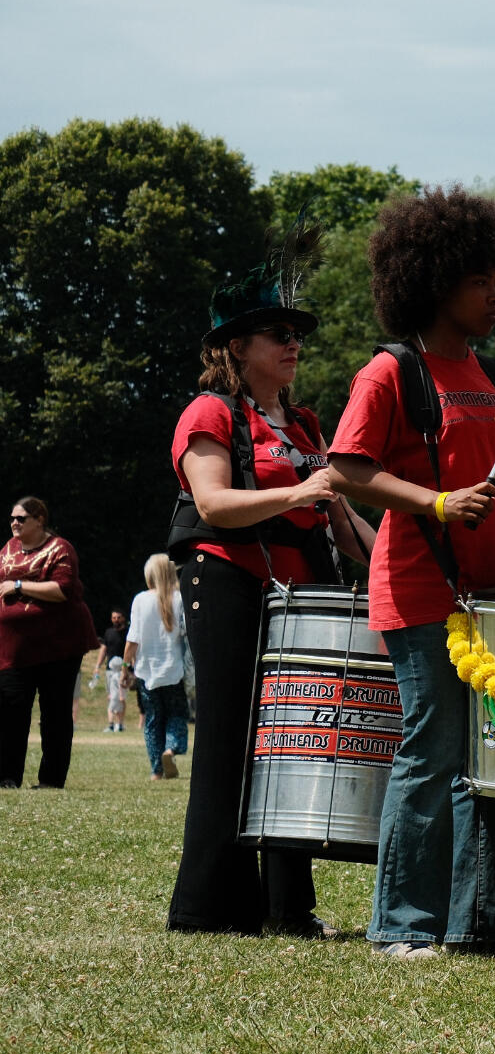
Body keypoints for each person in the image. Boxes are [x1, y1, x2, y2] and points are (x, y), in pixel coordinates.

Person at [329, 188, 495, 960]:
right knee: (435, 752)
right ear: (437, 281)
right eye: (481, 282)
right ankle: (404, 925)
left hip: (493, 596)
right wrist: (435, 502)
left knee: (492, 757)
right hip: (418, 591)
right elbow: (347, 468)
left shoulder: (493, 376)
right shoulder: (390, 373)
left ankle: (474, 919)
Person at [167, 246, 372, 937]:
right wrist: (304, 488)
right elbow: (216, 505)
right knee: (228, 742)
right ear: (235, 347)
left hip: (301, 594)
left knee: (293, 744)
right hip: (227, 579)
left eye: (297, 335)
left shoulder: (307, 424)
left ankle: (291, 910)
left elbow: (343, 523)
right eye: (278, 334)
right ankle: (207, 910)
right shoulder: (209, 413)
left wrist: (396, 560)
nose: (294, 344)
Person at [0, 496, 98, 789]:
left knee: (54, 714)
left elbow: (62, 589)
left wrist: (18, 585)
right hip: (14, 650)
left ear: (39, 519)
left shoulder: (60, 549)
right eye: (12, 519)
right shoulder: (8, 549)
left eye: (22, 518)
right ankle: (6, 778)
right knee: (10, 713)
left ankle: (51, 780)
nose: (15, 523)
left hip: (58, 647)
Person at [126, 554, 190, 780]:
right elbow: (186, 634)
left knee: (153, 721)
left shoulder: (140, 600)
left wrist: (126, 668)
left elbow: (132, 639)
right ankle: (170, 749)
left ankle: (156, 770)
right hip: (174, 670)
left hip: (146, 671)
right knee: (176, 714)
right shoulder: (180, 599)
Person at [100, 609, 128, 731]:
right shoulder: (108, 632)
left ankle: (120, 724)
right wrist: (98, 666)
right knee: (111, 696)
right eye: (114, 617)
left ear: (123, 618)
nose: (116, 620)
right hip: (109, 670)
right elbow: (103, 649)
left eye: (118, 617)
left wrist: (130, 669)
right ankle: (111, 724)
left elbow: (132, 650)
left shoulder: (128, 633)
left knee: (122, 697)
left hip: (124, 669)